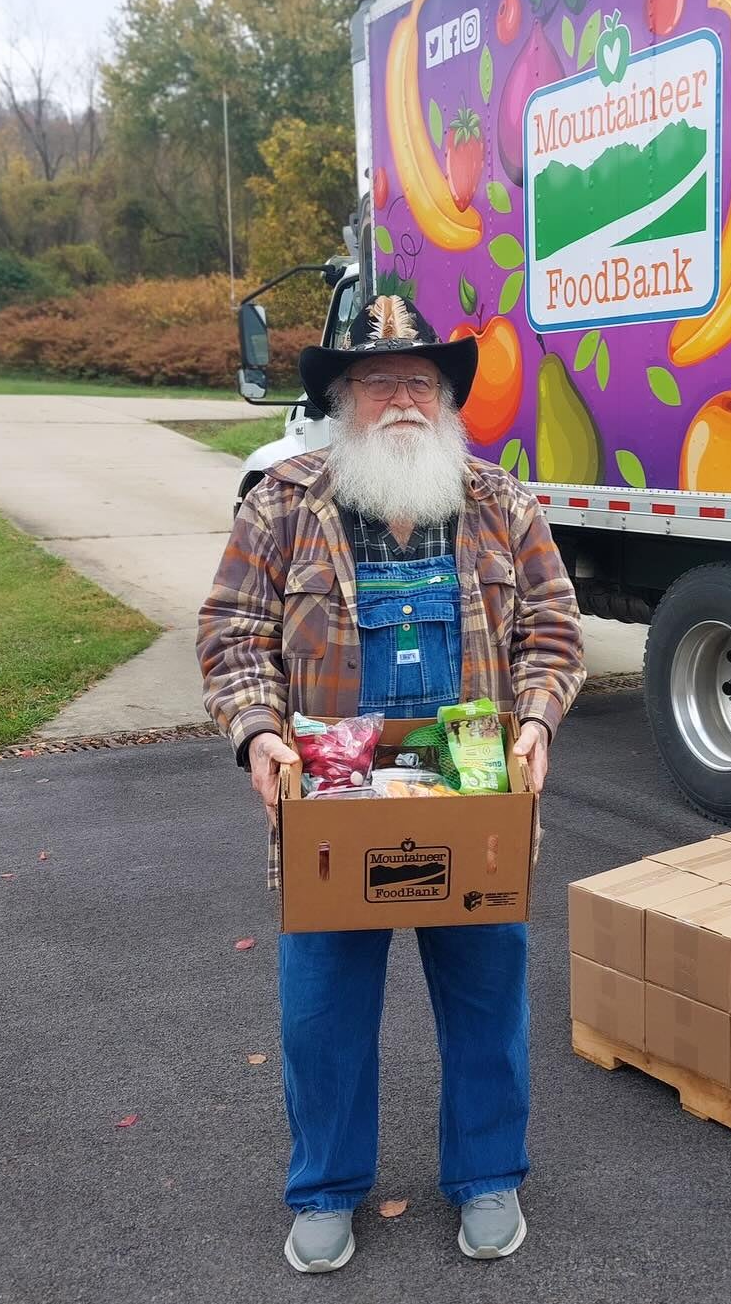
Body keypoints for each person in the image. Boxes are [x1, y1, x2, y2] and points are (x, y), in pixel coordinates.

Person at [197, 293, 585, 1271]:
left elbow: (552, 632)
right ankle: (325, 1187)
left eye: (420, 382)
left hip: (475, 795)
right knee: (322, 1015)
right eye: (378, 383)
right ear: (341, 398)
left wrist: (537, 721)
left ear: (447, 399)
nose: (402, 400)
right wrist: (259, 739)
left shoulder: (502, 503)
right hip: (330, 799)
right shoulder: (281, 503)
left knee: (490, 1001)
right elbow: (233, 637)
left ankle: (488, 1176)